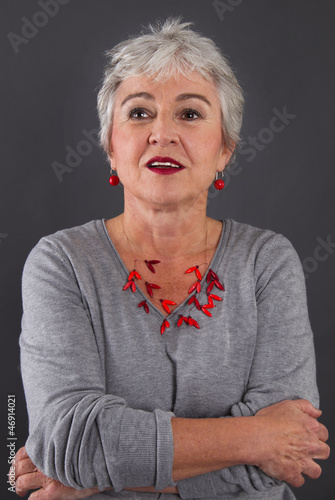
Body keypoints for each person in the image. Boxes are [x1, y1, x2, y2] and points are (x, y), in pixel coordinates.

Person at [14, 18, 329, 500]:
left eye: (190, 114)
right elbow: (70, 443)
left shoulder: (268, 262)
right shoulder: (61, 263)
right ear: (110, 149)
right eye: (139, 113)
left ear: (225, 149)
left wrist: (91, 479)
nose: (162, 133)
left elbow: (290, 456)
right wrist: (255, 438)